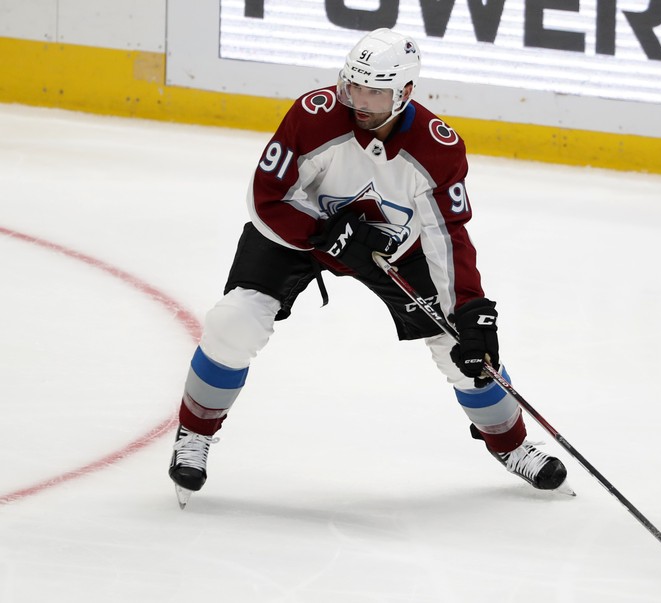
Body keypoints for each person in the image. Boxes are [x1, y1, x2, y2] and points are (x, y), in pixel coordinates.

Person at [168, 28, 569, 507]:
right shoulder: (314, 116)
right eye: (353, 86)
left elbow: (448, 235)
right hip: (297, 237)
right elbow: (268, 197)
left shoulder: (437, 148)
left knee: (463, 348)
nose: (360, 101)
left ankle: (513, 444)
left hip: (395, 252)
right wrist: (322, 233)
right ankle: (194, 435)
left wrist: (471, 307)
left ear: (405, 93)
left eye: (375, 92)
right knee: (234, 320)